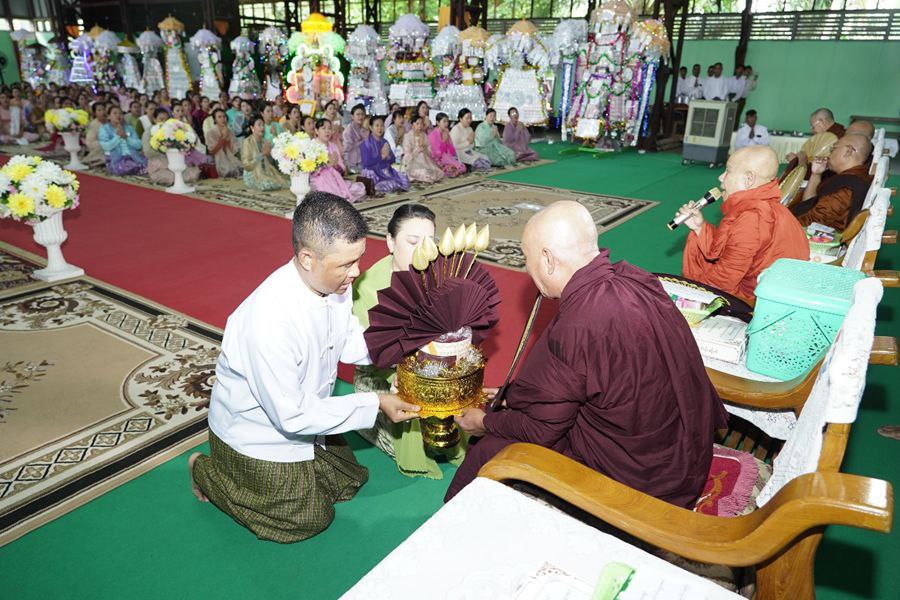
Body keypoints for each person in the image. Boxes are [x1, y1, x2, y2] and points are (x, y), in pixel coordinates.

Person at [446, 201, 727, 505]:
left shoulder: (578, 324)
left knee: (492, 449)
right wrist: (512, 395)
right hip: (683, 457)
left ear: (548, 259)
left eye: (527, 258)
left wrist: (483, 422)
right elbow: (584, 378)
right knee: (510, 416)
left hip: (643, 484)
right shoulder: (638, 280)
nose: (527, 269)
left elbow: (540, 429)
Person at [189, 192, 420, 543]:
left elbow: (349, 340)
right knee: (308, 519)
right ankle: (207, 471)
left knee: (349, 480)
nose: (356, 272)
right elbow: (291, 416)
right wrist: (376, 402)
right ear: (307, 258)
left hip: (305, 413)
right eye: (346, 264)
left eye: (358, 259)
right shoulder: (268, 321)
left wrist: (403, 345)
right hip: (257, 433)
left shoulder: (333, 284)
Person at [353, 205, 460, 478]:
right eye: (412, 242)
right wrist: (407, 376)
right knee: (416, 430)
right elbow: (370, 354)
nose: (422, 250)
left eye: (429, 242)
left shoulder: (439, 275)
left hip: (433, 369)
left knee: (455, 427)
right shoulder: (367, 288)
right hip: (383, 376)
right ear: (390, 242)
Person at [680, 146, 809, 304]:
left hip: (756, 301)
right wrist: (699, 227)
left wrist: (688, 289)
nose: (721, 177)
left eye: (728, 171)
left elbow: (722, 281)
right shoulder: (766, 205)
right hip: (778, 290)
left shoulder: (752, 218)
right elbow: (731, 248)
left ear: (749, 179)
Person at [791, 133, 874, 232]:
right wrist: (816, 174)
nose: (828, 154)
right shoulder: (848, 176)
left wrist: (781, 221)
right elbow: (809, 204)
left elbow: (811, 222)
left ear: (848, 151)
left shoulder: (847, 189)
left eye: (833, 149)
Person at [311, 118, 367, 202]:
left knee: (360, 189)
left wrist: (335, 165)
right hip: (320, 179)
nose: (327, 131)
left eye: (329, 128)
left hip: (335, 178)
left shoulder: (333, 146)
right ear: (316, 131)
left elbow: (342, 169)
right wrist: (327, 164)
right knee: (332, 196)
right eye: (323, 128)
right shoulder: (312, 146)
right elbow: (311, 171)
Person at [143, 107, 201, 186]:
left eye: (166, 119)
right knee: (173, 177)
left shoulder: (172, 129)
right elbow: (147, 152)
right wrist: (164, 151)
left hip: (175, 161)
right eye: (161, 119)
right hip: (159, 166)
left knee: (194, 173)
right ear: (154, 119)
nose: (164, 122)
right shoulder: (148, 131)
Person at [359, 115, 410, 193]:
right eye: (377, 126)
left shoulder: (384, 142)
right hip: (372, 172)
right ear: (371, 127)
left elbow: (393, 159)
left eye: (382, 126)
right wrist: (382, 156)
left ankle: (386, 184)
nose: (380, 128)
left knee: (405, 180)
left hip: (385, 170)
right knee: (390, 184)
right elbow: (366, 163)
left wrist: (388, 156)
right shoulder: (366, 144)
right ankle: (378, 186)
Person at [241, 114, 289, 191]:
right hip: (252, 173)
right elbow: (246, 165)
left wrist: (269, 153)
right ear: (252, 128)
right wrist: (262, 154)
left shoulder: (265, 141)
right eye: (259, 125)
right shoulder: (247, 142)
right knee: (268, 184)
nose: (262, 128)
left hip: (266, 171)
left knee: (286, 181)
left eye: (263, 125)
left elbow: (271, 161)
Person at [98, 105, 147, 175]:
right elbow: (106, 146)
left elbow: (138, 145)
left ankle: (139, 168)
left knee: (149, 161)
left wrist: (126, 137)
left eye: (120, 113)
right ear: (109, 116)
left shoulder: (130, 128)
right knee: (128, 166)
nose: (118, 115)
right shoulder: (104, 129)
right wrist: (118, 136)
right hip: (116, 158)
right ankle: (139, 168)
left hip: (133, 156)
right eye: (115, 113)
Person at [402, 114, 445, 184]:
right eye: (417, 124)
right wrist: (418, 148)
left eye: (421, 124)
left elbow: (430, 152)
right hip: (413, 162)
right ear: (412, 125)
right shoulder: (407, 136)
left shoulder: (424, 135)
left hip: (425, 161)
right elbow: (407, 156)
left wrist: (424, 147)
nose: (420, 126)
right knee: (425, 173)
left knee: (439, 173)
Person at [206, 108, 242, 178]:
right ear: (215, 120)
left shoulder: (230, 131)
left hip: (230, 158)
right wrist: (223, 137)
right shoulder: (210, 132)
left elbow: (234, 150)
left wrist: (227, 137)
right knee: (228, 171)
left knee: (241, 169)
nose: (223, 119)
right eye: (219, 117)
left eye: (224, 116)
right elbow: (212, 151)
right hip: (216, 160)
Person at [428, 113, 466, 177]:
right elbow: (437, 154)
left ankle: (452, 169)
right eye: (444, 121)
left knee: (462, 167)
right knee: (453, 168)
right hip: (437, 160)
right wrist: (443, 141)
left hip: (446, 157)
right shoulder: (433, 135)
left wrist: (447, 141)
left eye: (447, 121)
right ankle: (450, 170)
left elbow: (452, 151)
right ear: (437, 123)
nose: (446, 123)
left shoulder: (446, 132)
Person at [342, 103, 368, 173]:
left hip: (364, 162)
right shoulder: (348, 131)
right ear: (352, 116)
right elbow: (346, 150)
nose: (360, 117)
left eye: (362, 114)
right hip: (353, 165)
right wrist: (347, 167)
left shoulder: (365, 130)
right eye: (358, 114)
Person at [82, 102, 108, 167]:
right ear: (94, 113)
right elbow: (90, 141)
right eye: (99, 110)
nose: (102, 112)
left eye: (104, 109)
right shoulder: (93, 124)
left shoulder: (110, 121)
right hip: (98, 146)